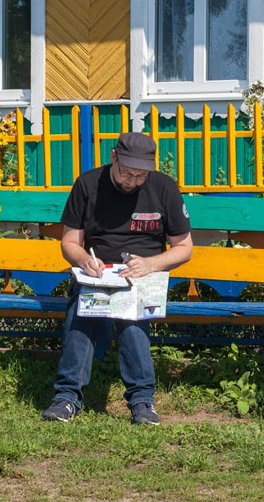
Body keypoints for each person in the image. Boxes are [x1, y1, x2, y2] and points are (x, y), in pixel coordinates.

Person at [42, 132, 193, 425]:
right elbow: (69, 242)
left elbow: (184, 248)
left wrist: (151, 264)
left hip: (142, 275)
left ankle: (142, 401)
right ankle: (67, 397)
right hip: (97, 273)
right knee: (81, 313)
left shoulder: (164, 187)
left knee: (132, 319)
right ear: (113, 157)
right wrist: (84, 260)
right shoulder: (87, 184)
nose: (133, 181)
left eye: (140, 176)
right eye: (127, 173)